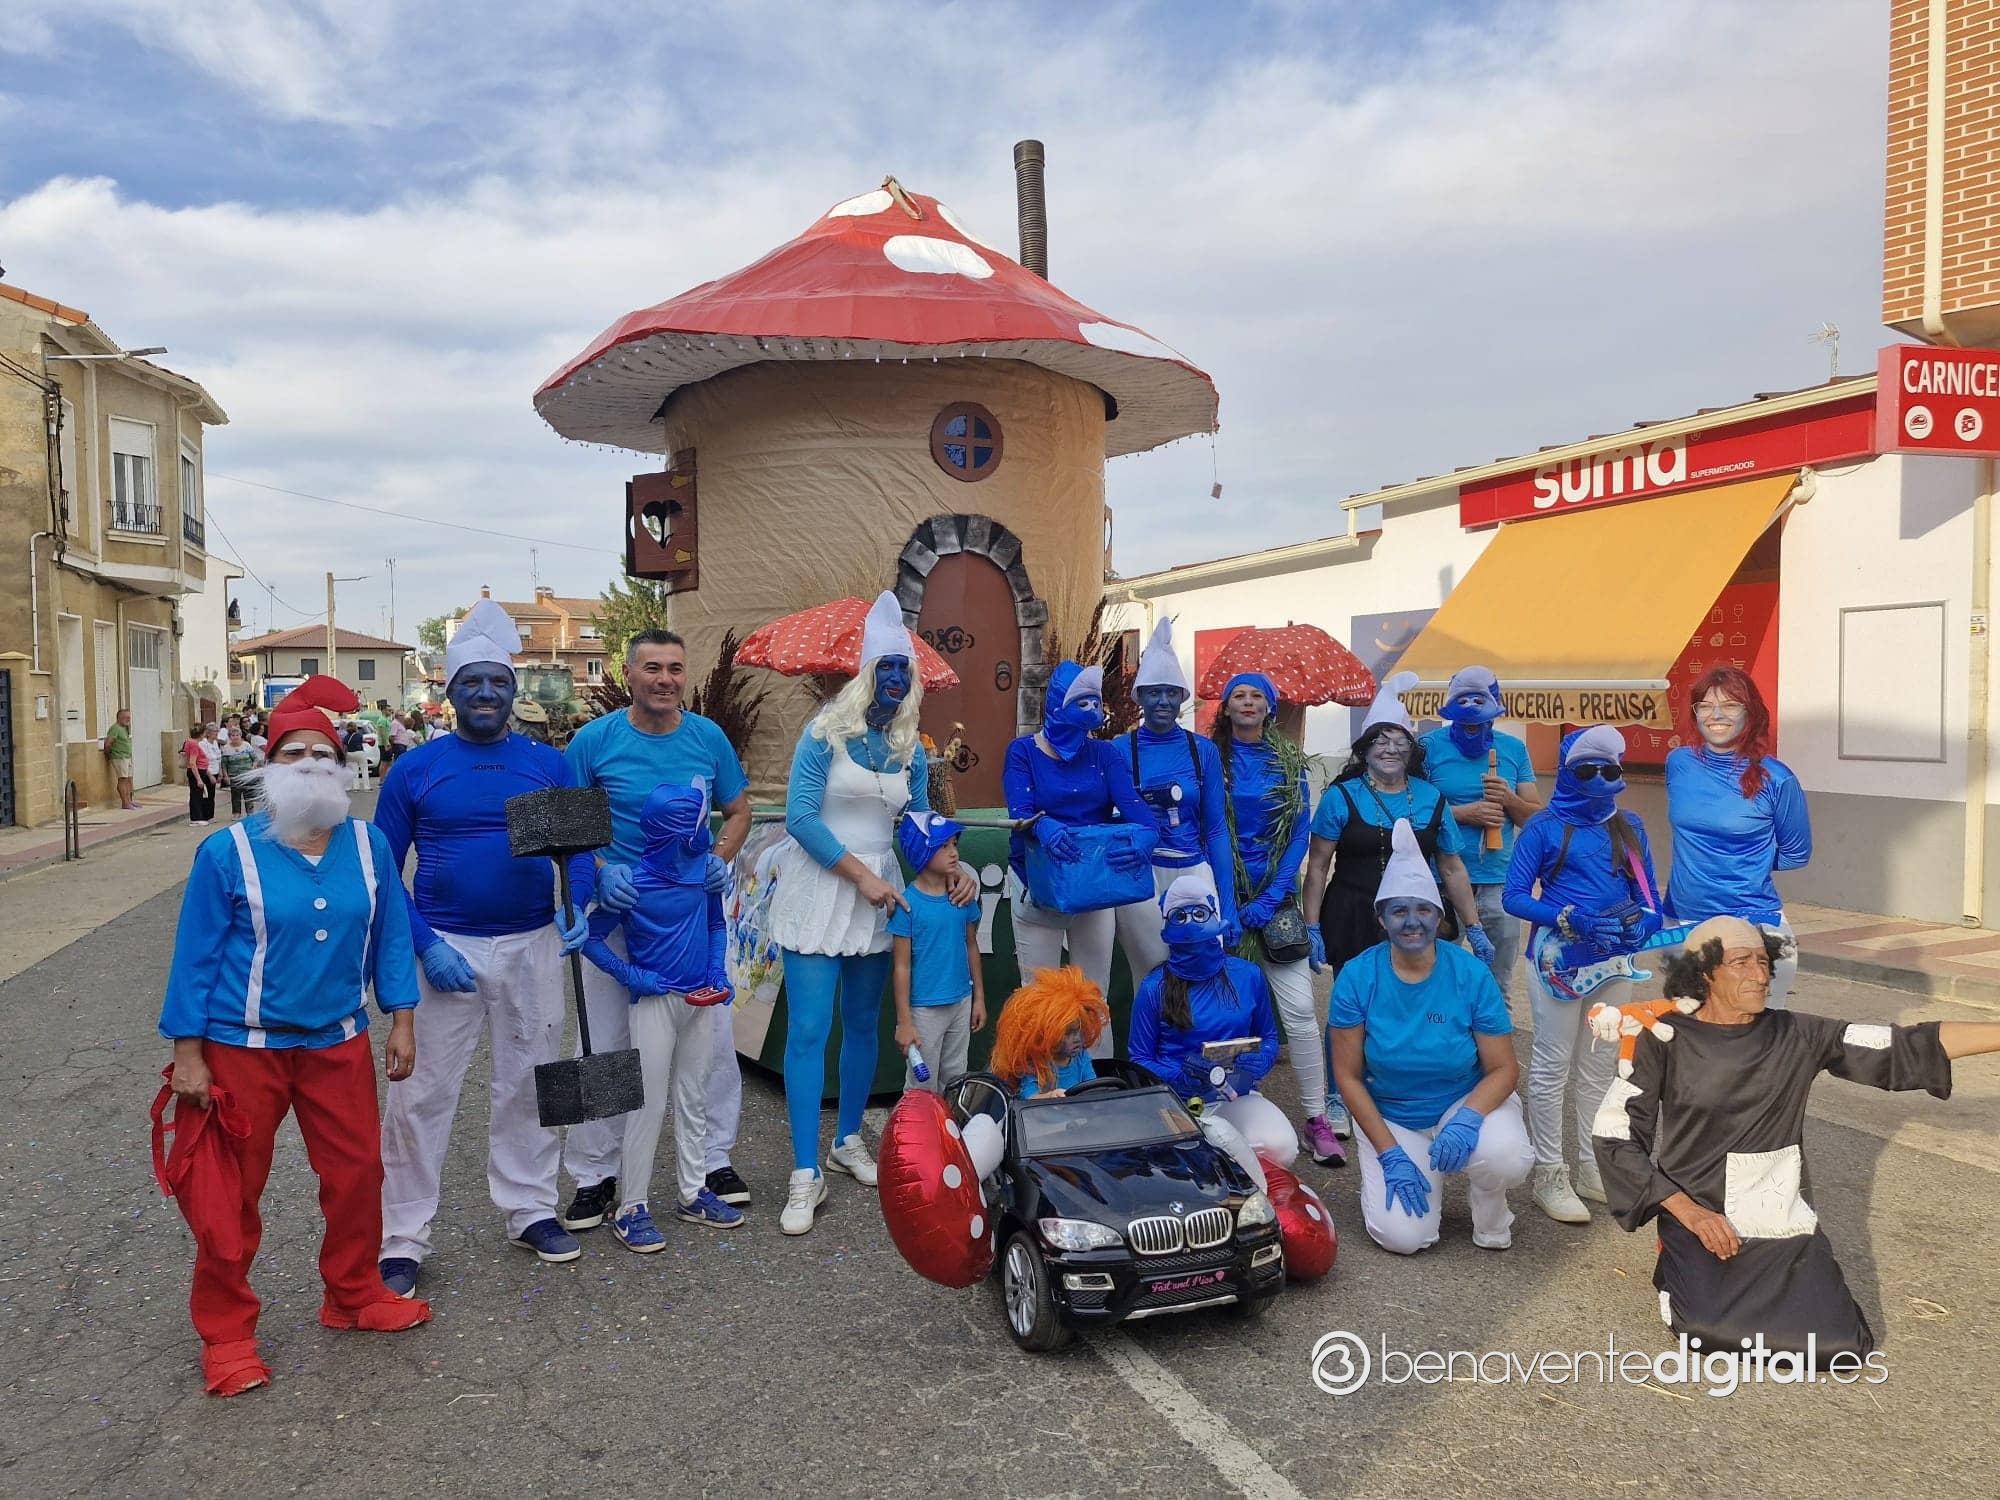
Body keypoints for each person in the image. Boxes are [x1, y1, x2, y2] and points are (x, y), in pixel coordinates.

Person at [156, 675, 428, 1398]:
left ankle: (353, 1293)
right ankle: (227, 1334)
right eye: (293, 752)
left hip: (337, 1042)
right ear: (268, 765)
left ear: (343, 765)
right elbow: (196, 957)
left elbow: (390, 936)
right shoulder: (228, 852)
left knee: (357, 1174)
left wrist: (401, 1017)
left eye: (323, 752)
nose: (310, 762)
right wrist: (188, 1054)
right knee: (230, 1193)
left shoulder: (369, 845)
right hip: (242, 1048)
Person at [1592, 916, 2000, 1364]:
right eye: (1741, 963)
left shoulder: (1798, 1033)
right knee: (1706, 1330)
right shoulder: (1662, 1037)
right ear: (1704, 972)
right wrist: (1687, 1212)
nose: (1760, 975)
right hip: (1698, 1210)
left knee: (1839, 1347)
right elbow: (1615, 1136)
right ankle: (1675, 1263)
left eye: (1763, 961)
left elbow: (1899, 1043)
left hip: (1777, 1211)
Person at [372, 601, 595, 1297]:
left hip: (532, 943)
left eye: (498, 682)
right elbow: (381, 871)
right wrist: (422, 943)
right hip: (445, 947)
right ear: (450, 691)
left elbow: (579, 854)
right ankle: (402, 1236)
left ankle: (531, 1208)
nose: (486, 694)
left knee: (534, 1080)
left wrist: (579, 908)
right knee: (419, 1095)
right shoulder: (415, 769)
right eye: (472, 683)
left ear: (513, 689)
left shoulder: (549, 764)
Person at [767, 594, 975, 1234]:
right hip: (823, 888)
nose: (895, 679)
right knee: (809, 1029)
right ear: (865, 673)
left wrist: (957, 866)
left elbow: (918, 827)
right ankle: (805, 1170)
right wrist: (860, 876)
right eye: (886, 667)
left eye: (904, 670)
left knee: (863, 1023)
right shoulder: (823, 733)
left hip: (880, 893)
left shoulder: (908, 746)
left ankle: (847, 1138)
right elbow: (800, 818)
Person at [562, 628, 753, 1228]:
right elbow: (567, 829)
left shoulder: (707, 737)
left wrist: (719, 858)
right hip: (617, 908)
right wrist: (601, 870)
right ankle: (595, 1173)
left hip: (687, 913)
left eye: (675, 668)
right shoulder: (593, 741)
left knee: (712, 1042)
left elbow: (739, 810)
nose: (665, 679)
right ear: (629, 673)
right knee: (601, 1042)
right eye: (652, 668)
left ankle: (712, 1162)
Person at [1301, 672, 1492, 1160]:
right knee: (1351, 1007)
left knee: (1409, 1003)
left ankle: (1403, 1090)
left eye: (1399, 742)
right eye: (1380, 741)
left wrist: (1473, 926)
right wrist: (1312, 924)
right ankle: (1338, 1096)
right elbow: (1318, 866)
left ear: (1412, 750)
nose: (1390, 749)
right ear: (1364, 749)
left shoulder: (1431, 797)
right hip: (1352, 913)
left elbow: (1452, 865)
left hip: (1416, 918)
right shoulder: (1342, 796)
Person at [1328, 819, 1532, 1255]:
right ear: (1381, 919)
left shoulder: (1470, 974)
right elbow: (1347, 1077)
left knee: (1506, 1156)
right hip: (1393, 1115)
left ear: (1440, 918)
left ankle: (1490, 1204)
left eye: (1423, 910)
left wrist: (1468, 1119)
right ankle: (1408, 1166)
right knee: (1404, 1238)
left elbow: (1503, 1068)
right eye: (1398, 911)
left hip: (1462, 1101)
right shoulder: (1357, 977)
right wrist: (1389, 1153)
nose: (1412, 922)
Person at [1503, 724, 1664, 1225]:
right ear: (1569, 772)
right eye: (1587, 769)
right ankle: (1549, 1175)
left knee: (1600, 1066)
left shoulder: (1630, 826)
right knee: (1551, 1066)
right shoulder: (1543, 828)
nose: (1599, 778)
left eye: (1609, 769)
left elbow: (1650, 898)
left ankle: (1594, 1168)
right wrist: (1567, 917)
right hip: (1558, 963)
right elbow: (1513, 896)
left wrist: (1645, 924)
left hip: (1614, 964)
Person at [580, 783, 743, 1249]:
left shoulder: (702, 875)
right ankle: (632, 1205)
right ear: (676, 834)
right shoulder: (635, 883)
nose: (705, 837)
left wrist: (715, 970)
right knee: (646, 1103)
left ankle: (692, 1191)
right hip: (654, 1003)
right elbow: (590, 937)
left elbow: (715, 924)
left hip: (698, 999)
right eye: (697, 827)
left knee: (694, 1095)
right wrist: (632, 976)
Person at [1202, 670, 1333, 1161]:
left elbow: (1299, 833)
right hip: (1226, 898)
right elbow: (1210, 828)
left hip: (1275, 903)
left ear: (1270, 707)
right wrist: (1230, 904)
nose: (1248, 702)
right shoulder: (1211, 757)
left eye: (1257, 695)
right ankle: (1226, 1108)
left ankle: (1317, 1117)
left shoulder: (1289, 761)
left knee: (1299, 1011)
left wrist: (1272, 895)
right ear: (1226, 706)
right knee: (1225, 1009)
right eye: (1239, 694)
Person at [1004, 659, 1158, 1056]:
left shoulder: (1105, 755)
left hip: (1095, 887)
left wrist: (1147, 836)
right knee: (1039, 995)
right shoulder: (1023, 752)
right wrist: (1040, 825)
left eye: (1096, 703)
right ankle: (1040, 1081)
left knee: (1093, 993)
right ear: (1058, 704)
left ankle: (1096, 1079)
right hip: (1038, 885)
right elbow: (1019, 810)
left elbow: (1137, 810)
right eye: (1082, 703)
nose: (1093, 711)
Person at [1128, 866, 1296, 1189]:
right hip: (1176, 1104)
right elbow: (1139, 1059)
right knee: (1195, 1169)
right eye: (1181, 917)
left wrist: (1261, 1060)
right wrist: (1180, 1074)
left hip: (1237, 1096)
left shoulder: (1248, 976)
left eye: (1200, 916)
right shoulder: (1154, 988)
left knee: (1281, 1146)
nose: (1193, 930)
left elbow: (1269, 1037)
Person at [1664, 666, 1811, 1008]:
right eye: (1705, 706)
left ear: (1750, 712)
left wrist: (1744, 861)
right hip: (1683, 921)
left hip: (1752, 924)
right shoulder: (1678, 763)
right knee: (1691, 1027)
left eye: (1730, 705)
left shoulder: (1777, 778)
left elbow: (1796, 853)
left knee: (1755, 1031)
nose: (1716, 715)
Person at [1113, 619, 1236, 981]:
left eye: (1171, 692)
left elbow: (1216, 830)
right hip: (1143, 873)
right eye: (1154, 692)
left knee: (1204, 969)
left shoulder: (1204, 751)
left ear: (1182, 696)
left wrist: (1228, 903)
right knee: (1151, 972)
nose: (1163, 701)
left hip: (1195, 869)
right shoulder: (1120, 750)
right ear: (1140, 696)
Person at [1417, 665, 1540, 990]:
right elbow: (1410, 811)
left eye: (1480, 719)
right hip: (1441, 881)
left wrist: (1509, 799)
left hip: (1500, 884)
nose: (1472, 727)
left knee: (1498, 982)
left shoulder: (1514, 749)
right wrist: (1463, 813)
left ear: (1495, 713)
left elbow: (1535, 820)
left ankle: (1493, 1025)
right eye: (1465, 720)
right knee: (1435, 979)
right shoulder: (1427, 747)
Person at [888, 811, 986, 1094]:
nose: (953, 852)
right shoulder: (907, 905)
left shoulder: (962, 897)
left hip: (961, 1002)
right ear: (921, 852)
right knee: (922, 1084)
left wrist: (978, 998)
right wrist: (905, 1022)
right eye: (943, 846)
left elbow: (971, 944)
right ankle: (917, 1124)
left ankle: (949, 1122)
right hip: (924, 1011)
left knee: (956, 1077)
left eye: (954, 844)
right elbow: (901, 967)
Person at [989, 966, 1110, 1098]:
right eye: (1068, 1033)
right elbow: (1028, 1098)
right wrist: (1050, 1096)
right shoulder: (1035, 1063)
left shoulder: (1081, 1057)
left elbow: (1093, 1088)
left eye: (1079, 1031)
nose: (1076, 1039)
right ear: (1045, 1033)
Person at [217, 725, 263, 818]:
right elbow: (224, 764)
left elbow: (255, 759)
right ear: (230, 737)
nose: (235, 737)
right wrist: (225, 776)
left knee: (248, 794)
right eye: (233, 735)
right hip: (234, 775)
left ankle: (250, 813)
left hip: (247, 775)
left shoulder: (246, 745)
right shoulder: (226, 748)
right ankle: (236, 813)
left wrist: (253, 766)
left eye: (237, 735)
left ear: (240, 736)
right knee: (235, 795)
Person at [103, 706, 138, 810]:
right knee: (122, 779)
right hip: (119, 757)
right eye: (125, 717)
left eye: (129, 717)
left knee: (128, 779)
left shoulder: (124, 728)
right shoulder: (115, 728)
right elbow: (108, 743)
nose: (128, 719)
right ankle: (125, 803)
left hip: (127, 757)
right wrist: (108, 754)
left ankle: (130, 801)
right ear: (119, 718)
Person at [182, 722, 216, 825]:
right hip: (197, 771)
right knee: (196, 795)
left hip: (200, 770)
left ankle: (199, 816)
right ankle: (196, 818)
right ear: (201, 734)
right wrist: (199, 779)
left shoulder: (190, 742)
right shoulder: (194, 744)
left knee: (198, 795)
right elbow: (192, 762)